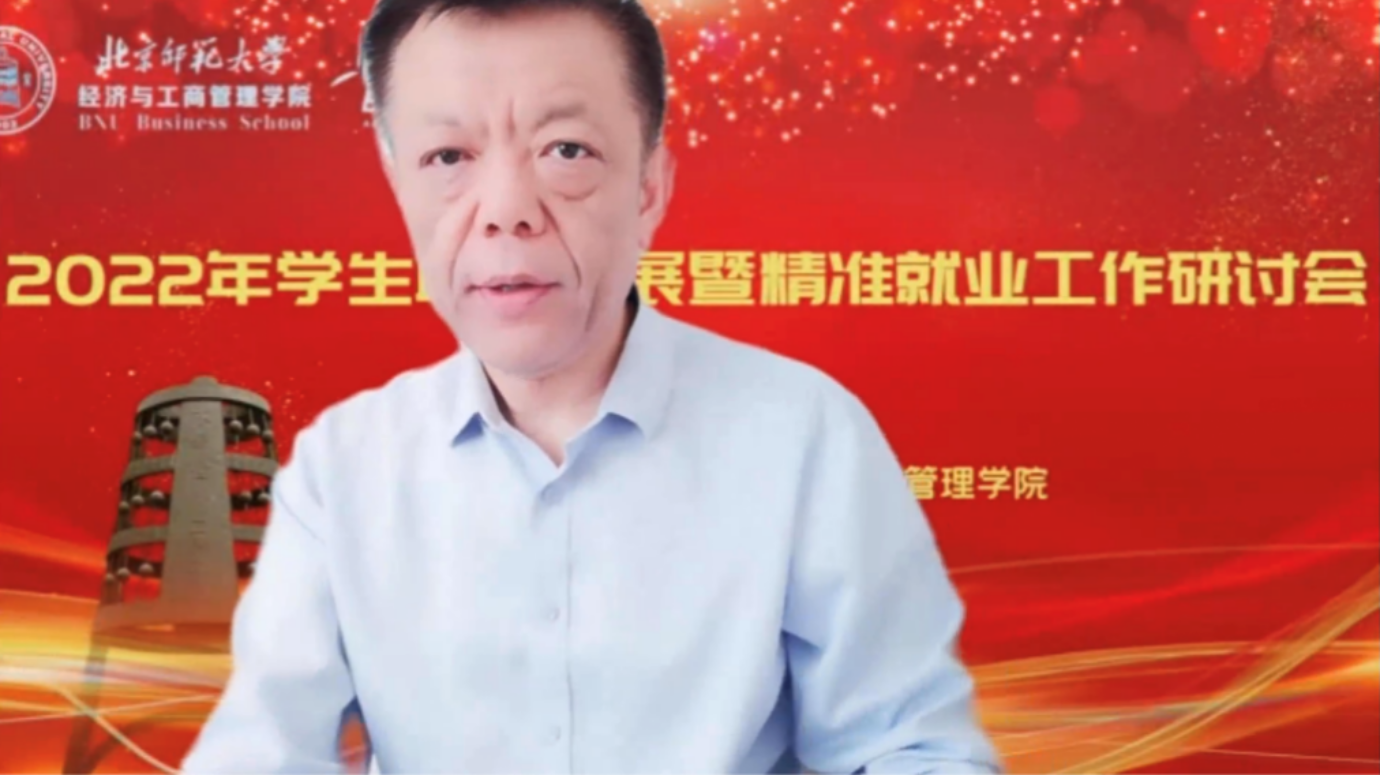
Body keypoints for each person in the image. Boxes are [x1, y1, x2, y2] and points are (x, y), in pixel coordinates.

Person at [181, 0, 1001, 772]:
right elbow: (259, 754)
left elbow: (912, 746)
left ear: (649, 188)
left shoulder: (803, 434)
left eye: (566, 150)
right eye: (449, 158)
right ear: (398, 182)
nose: (506, 210)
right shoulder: (343, 468)